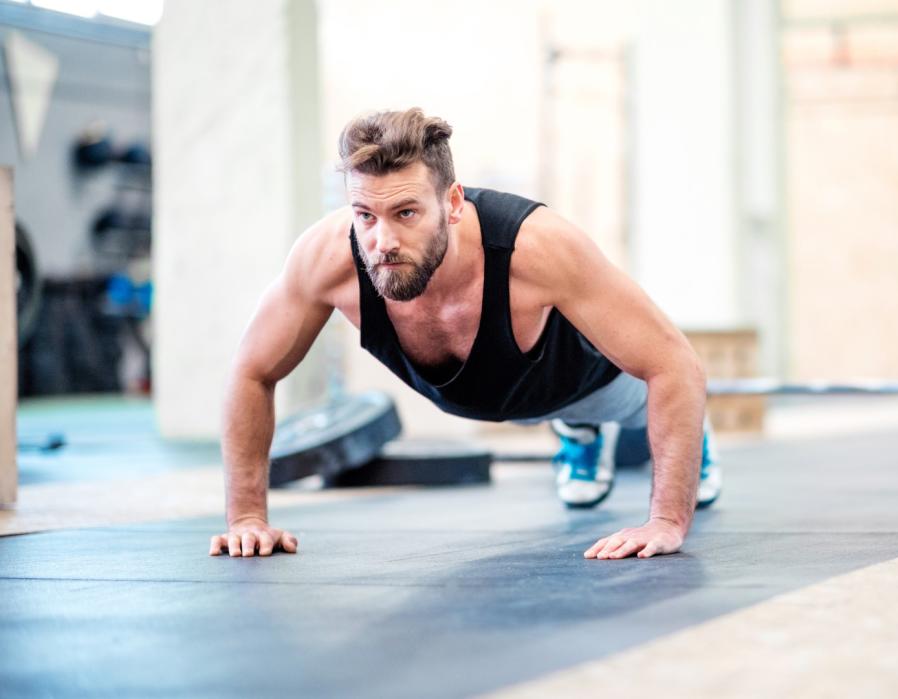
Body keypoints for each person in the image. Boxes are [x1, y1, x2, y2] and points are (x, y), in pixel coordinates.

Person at [208, 108, 722, 561]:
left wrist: (666, 520)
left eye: (406, 212)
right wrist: (247, 517)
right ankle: (579, 434)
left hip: (587, 383)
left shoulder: (538, 246)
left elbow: (675, 364)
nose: (382, 241)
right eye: (365, 214)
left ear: (452, 203)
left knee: (639, 403)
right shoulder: (326, 259)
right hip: (476, 396)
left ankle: (653, 432)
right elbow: (252, 370)